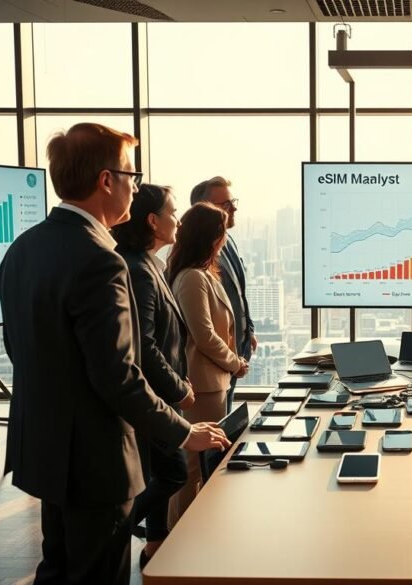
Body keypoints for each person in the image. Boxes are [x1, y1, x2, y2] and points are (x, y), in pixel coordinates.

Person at [0, 123, 229, 585]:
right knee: (96, 573)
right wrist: (185, 433)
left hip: (44, 450)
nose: (136, 185)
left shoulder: (22, 249)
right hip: (94, 460)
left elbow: (19, 350)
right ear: (106, 181)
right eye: (131, 174)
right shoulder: (100, 259)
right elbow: (117, 376)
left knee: (58, 568)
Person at [111, 183, 194, 567]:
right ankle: (117, 527)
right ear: (153, 220)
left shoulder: (150, 263)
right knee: (175, 471)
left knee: (163, 471)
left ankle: (156, 544)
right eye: (173, 212)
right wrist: (177, 387)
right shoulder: (138, 269)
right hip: (156, 396)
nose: (178, 219)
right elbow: (145, 345)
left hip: (162, 394)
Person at [167, 202, 249, 520]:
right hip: (201, 386)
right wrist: (234, 363)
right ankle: (175, 544)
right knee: (192, 468)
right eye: (222, 232)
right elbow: (204, 335)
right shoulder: (191, 278)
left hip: (212, 383)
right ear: (211, 237)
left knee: (203, 466)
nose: (226, 239)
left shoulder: (203, 274)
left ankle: (193, 536)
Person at [191, 176, 255, 413]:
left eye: (233, 202)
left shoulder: (229, 242)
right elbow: (203, 329)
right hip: (217, 361)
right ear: (205, 209)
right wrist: (230, 357)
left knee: (226, 415)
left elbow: (238, 293)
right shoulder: (198, 256)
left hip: (236, 349)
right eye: (226, 205)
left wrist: (248, 330)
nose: (234, 208)